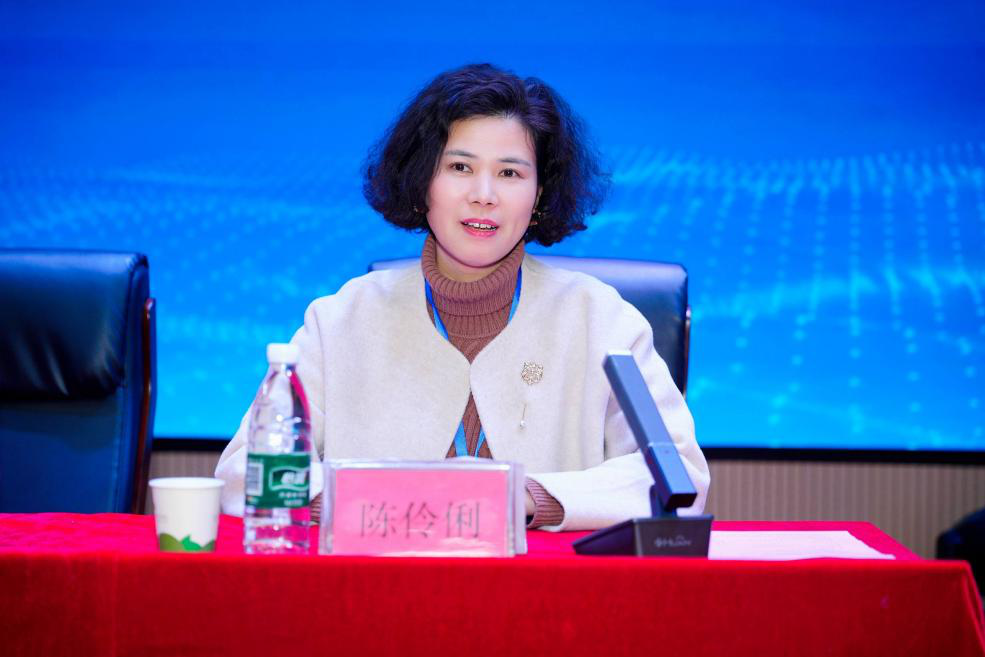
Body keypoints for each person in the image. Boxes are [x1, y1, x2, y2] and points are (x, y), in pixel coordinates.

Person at [215, 63, 709, 530]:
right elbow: (245, 473)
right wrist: (400, 500)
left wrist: (524, 497)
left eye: (510, 173)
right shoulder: (340, 320)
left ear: (539, 194)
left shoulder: (602, 319)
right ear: (422, 182)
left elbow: (679, 479)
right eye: (460, 167)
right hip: (378, 582)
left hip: (547, 588)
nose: (484, 194)